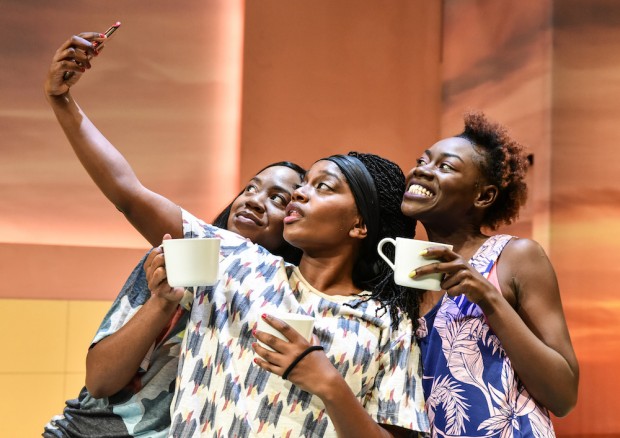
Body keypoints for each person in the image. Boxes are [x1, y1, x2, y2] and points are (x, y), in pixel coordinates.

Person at [42, 32, 305, 437]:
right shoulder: (184, 252)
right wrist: (62, 101)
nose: (254, 200)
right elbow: (99, 381)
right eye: (250, 188)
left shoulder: (291, 296)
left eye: (278, 199)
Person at [145, 150, 429, 437]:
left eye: (323, 187)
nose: (300, 194)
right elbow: (128, 195)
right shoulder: (240, 263)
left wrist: (330, 384)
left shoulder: (390, 324)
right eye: (303, 184)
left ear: (359, 225)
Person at [400, 111, 579, 437]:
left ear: (483, 196)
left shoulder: (515, 257)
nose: (421, 170)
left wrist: (487, 296)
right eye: (423, 160)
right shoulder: (405, 272)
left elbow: (563, 394)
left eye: (445, 166)